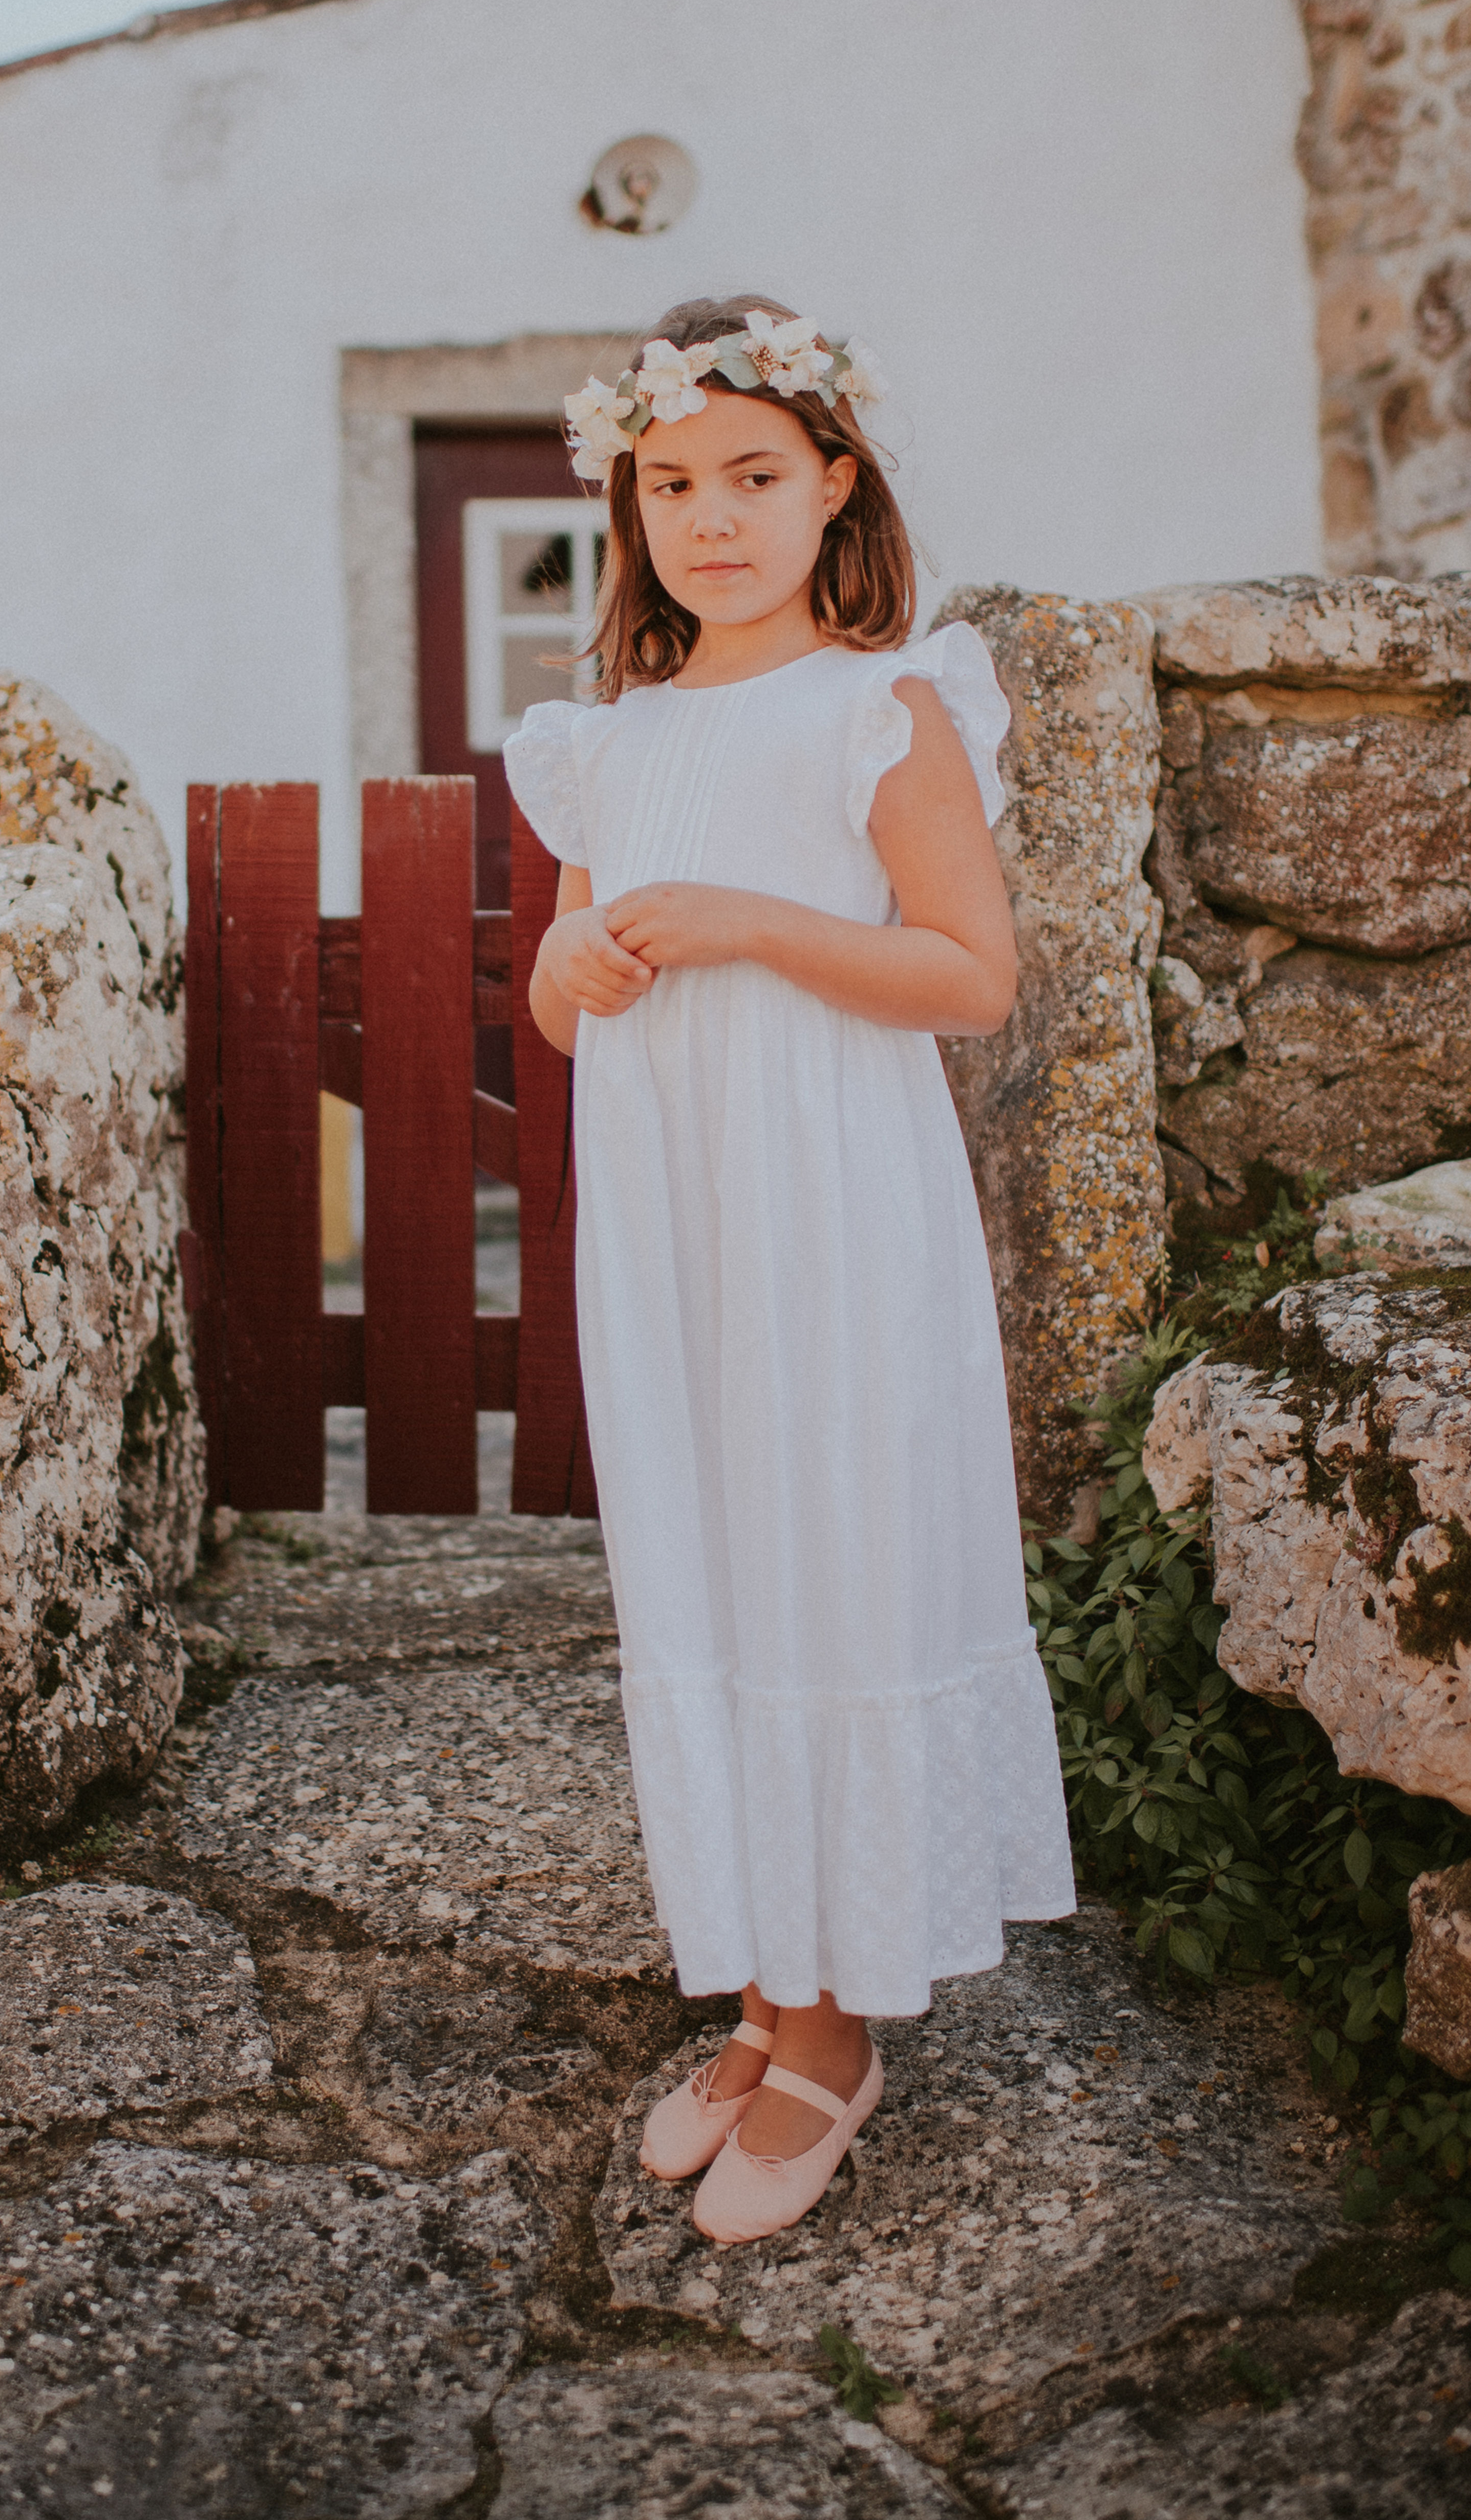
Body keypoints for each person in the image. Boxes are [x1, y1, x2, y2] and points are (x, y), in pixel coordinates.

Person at [505, 297, 1074, 2247]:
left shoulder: (881, 704)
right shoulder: (609, 738)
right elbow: (572, 1005)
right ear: (628, 505)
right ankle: (763, 1987)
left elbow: (967, 974)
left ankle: (835, 2035)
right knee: (714, 1560)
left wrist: (752, 919)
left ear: (835, 483)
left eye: (752, 475)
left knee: (824, 1549)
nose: (711, 518)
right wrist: (564, 974)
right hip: (671, 1221)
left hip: (827, 1205)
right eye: (669, 484)